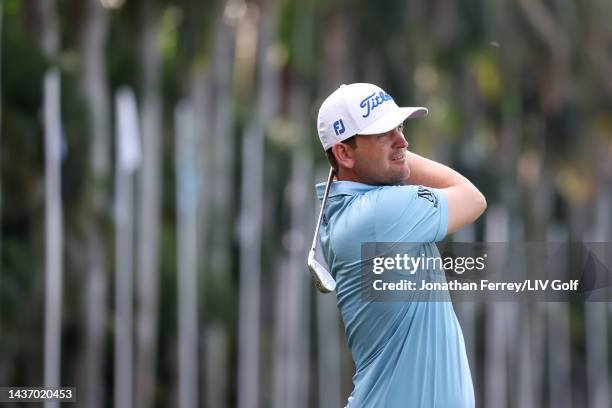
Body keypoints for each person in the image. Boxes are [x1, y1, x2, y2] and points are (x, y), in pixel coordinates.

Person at [315, 83, 486, 407]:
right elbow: (472, 198)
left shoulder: (360, 212)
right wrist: (398, 157)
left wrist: (387, 150)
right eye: (383, 133)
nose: (403, 142)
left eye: (400, 127)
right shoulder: (381, 214)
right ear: (344, 153)